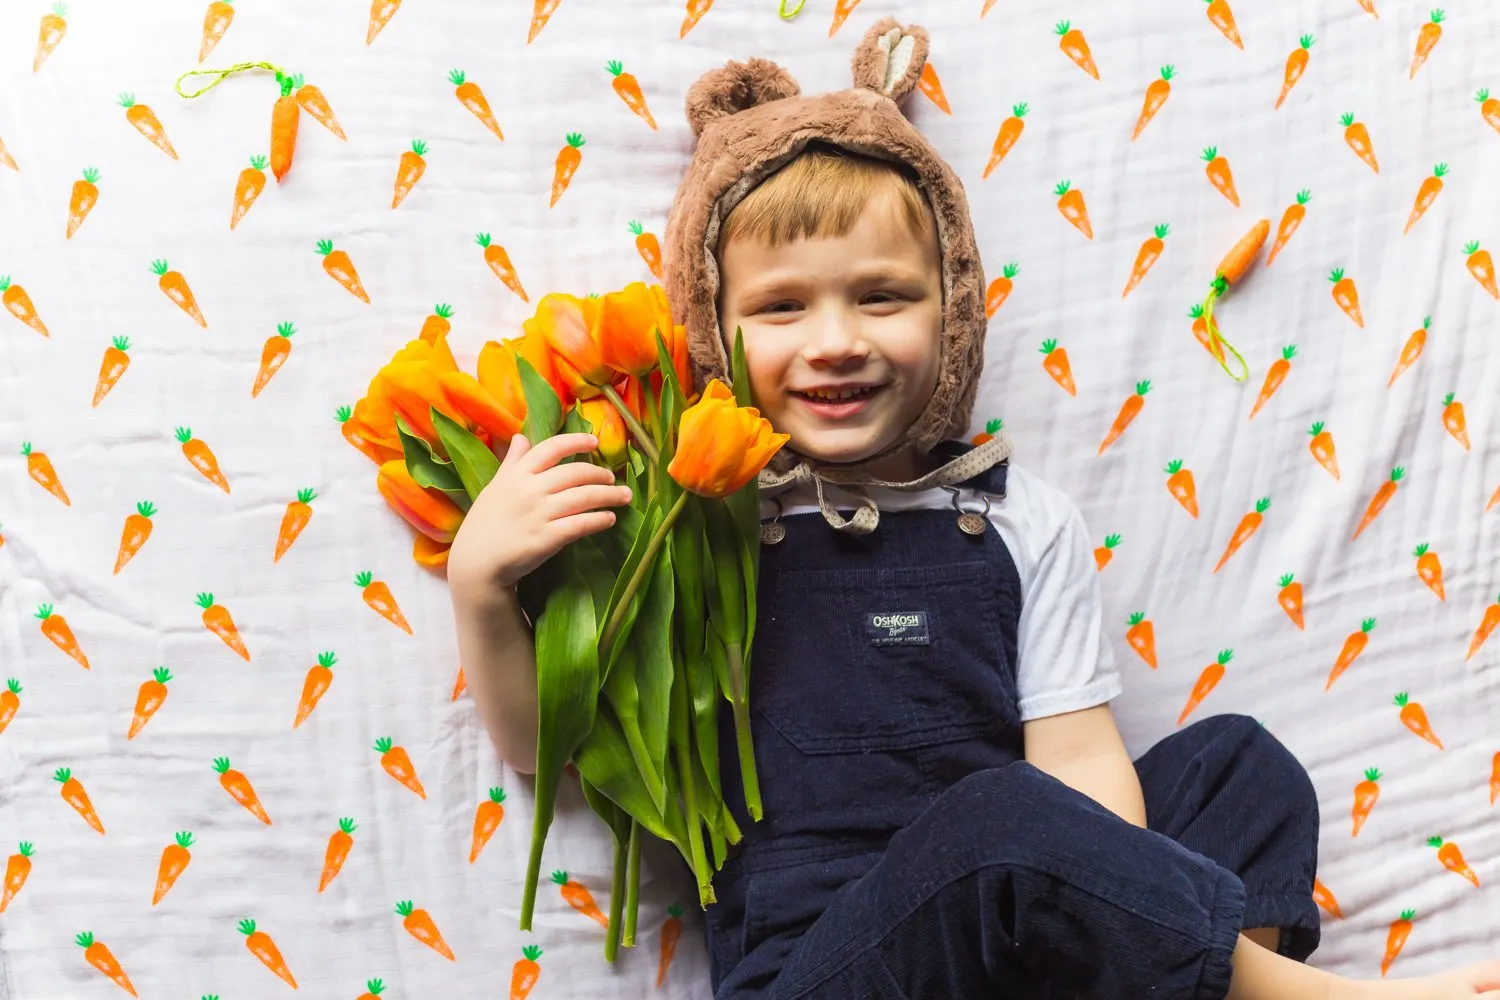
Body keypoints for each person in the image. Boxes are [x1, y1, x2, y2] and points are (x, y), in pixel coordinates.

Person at [448, 18, 1500, 1000]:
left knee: (1237, 766)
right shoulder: (698, 521)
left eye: (882, 296)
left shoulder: (1011, 515)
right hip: (821, 965)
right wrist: (484, 588)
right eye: (781, 306)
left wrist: (1098, 903)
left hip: (1020, 923)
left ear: (953, 309)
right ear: (714, 327)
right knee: (1000, 825)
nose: (835, 340)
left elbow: (1080, 762)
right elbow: (549, 745)